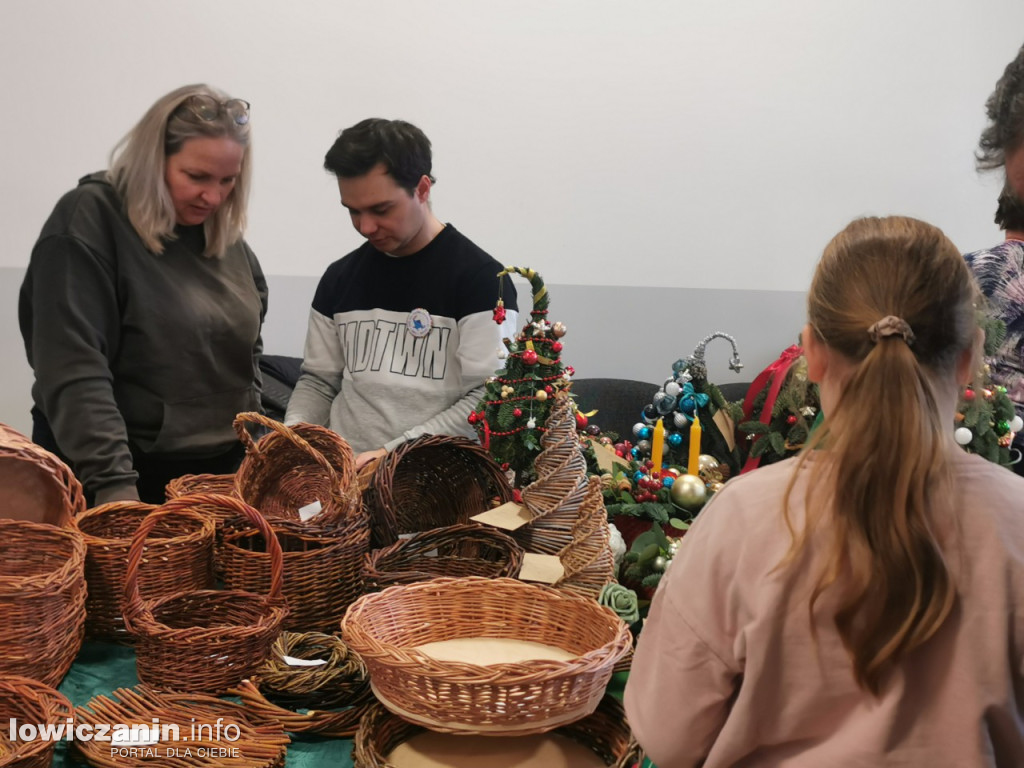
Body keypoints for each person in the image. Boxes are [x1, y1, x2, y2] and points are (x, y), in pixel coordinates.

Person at [624, 216, 1024, 766]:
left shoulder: (743, 519)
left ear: (811, 353)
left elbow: (668, 737)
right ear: (968, 359)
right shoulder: (1016, 522)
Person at [19, 84, 267, 506]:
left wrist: (253, 446)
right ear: (153, 160)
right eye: (196, 177)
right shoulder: (88, 222)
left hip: (216, 475)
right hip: (123, 474)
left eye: (228, 180)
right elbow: (74, 370)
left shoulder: (222, 233)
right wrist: (114, 487)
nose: (214, 196)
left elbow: (248, 347)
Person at [285, 118, 517, 468]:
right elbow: (318, 382)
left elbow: (489, 400)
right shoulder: (339, 277)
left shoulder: (483, 281)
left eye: (381, 210)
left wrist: (391, 454)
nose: (365, 227)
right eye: (352, 211)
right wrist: (292, 439)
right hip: (343, 482)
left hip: (434, 483)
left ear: (422, 189)